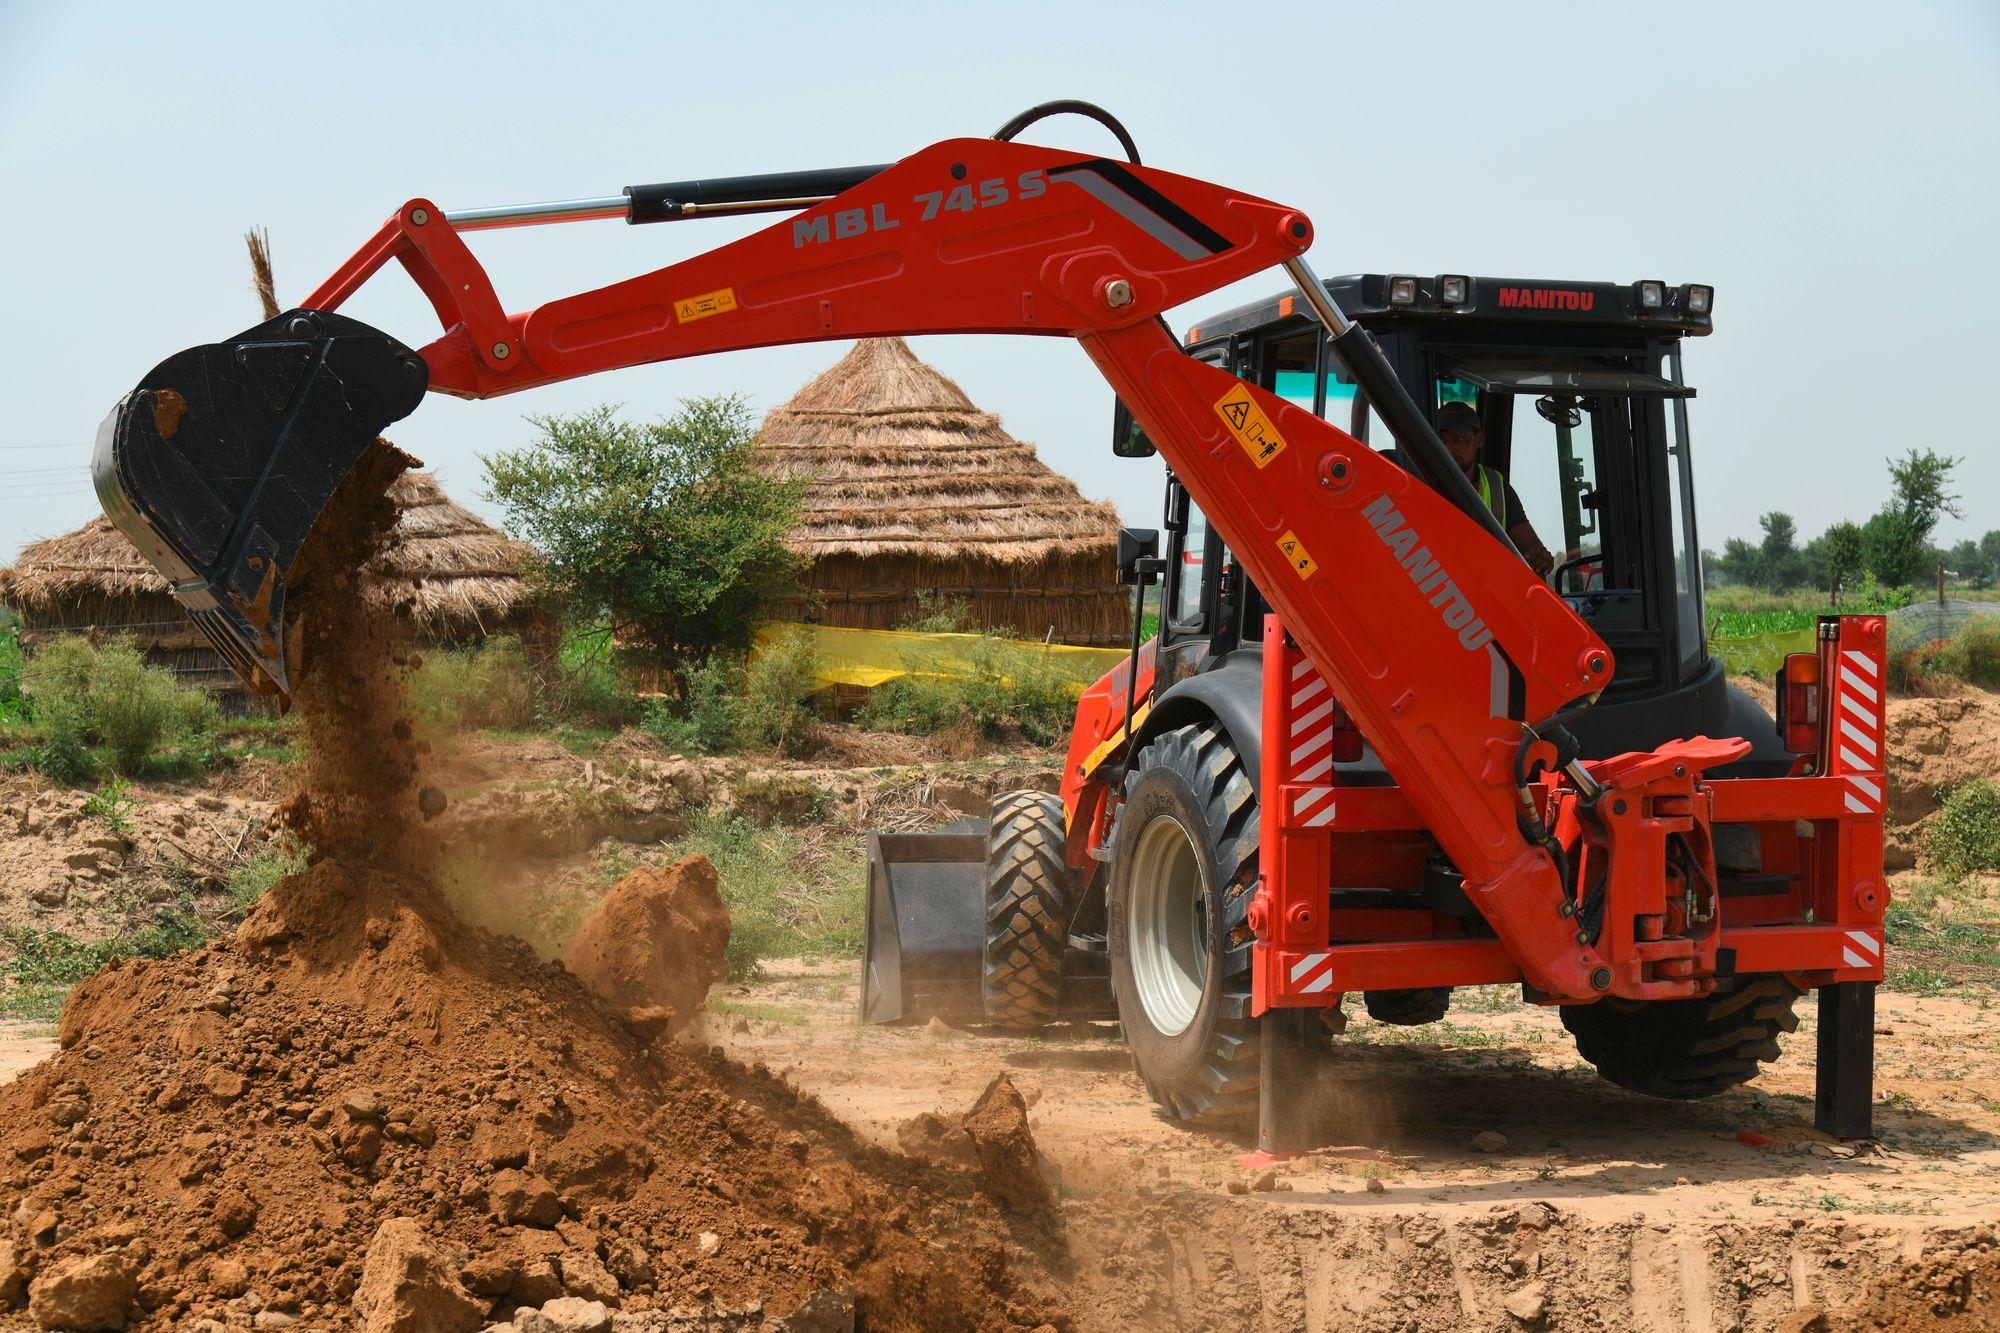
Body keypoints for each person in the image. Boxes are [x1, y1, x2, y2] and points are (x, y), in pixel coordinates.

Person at [1434, 401, 1555, 576]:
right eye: (1442, 440)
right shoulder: (1420, 482)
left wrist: (1540, 558)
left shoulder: (1497, 487)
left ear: (1479, 439)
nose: (1449, 448)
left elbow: (1530, 547)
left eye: (1459, 439)